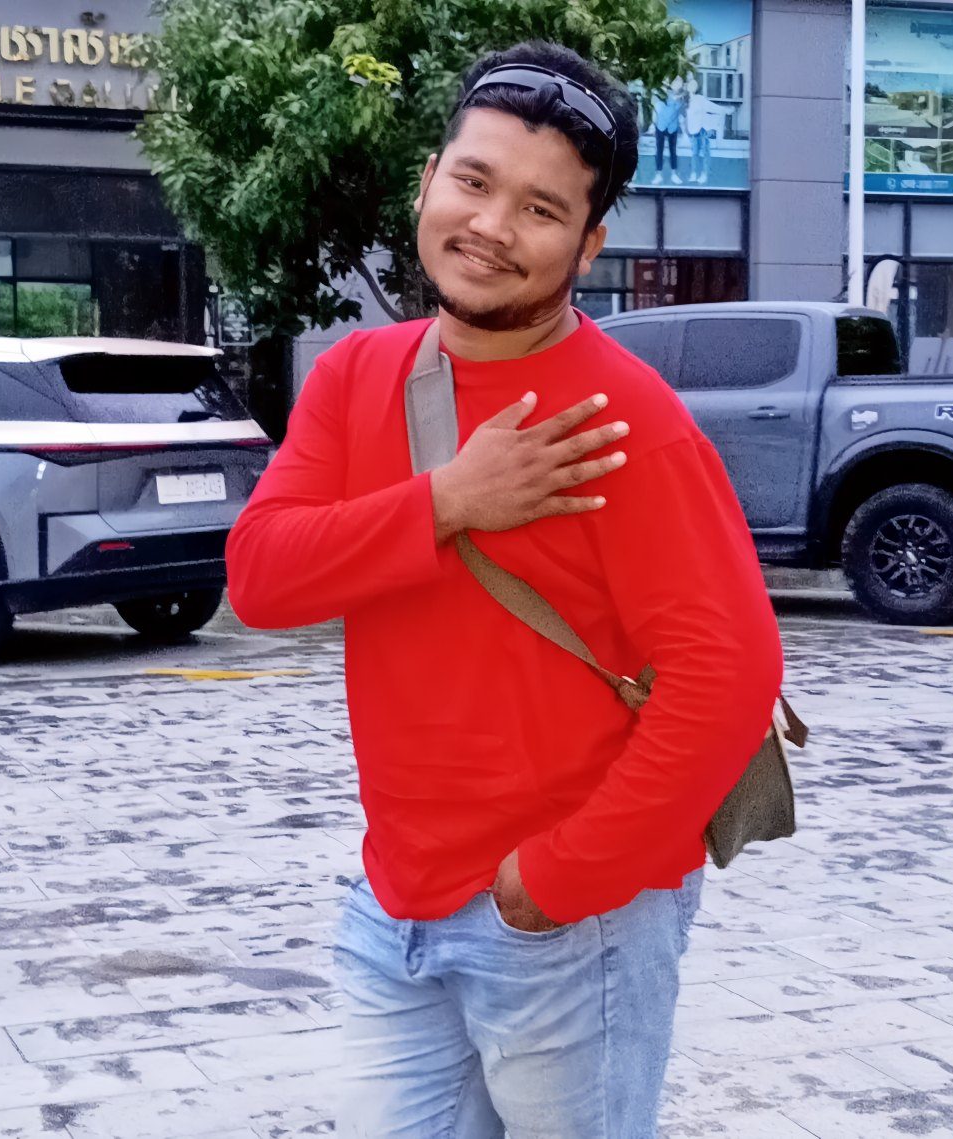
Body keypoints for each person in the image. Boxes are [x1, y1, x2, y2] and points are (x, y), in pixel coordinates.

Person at [226, 40, 783, 1139]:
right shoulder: (355, 375)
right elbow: (261, 577)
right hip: (393, 901)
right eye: (473, 182)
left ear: (588, 242)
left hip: (567, 925)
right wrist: (448, 500)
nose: (489, 225)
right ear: (428, 179)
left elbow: (727, 676)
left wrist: (556, 881)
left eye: (540, 208)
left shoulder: (624, 419)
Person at [684, 73, 723, 185]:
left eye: (694, 85)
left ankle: (704, 174)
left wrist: (724, 110)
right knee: (694, 153)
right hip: (693, 131)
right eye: (690, 85)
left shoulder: (700, 99)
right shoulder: (686, 101)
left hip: (702, 130)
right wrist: (687, 132)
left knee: (705, 152)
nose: (692, 87)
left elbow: (712, 107)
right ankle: (694, 174)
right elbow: (685, 117)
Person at [650, 75, 686, 185]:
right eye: (676, 82)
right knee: (659, 151)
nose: (677, 84)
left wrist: (673, 101)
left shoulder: (681, 97)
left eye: (679, 83)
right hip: (661, 126)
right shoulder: (658, 93)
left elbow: (675, 110)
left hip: (672, 127)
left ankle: (674, 174)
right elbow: (659, 108)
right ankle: (658, 175)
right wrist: (672, 102)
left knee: (673, 151)